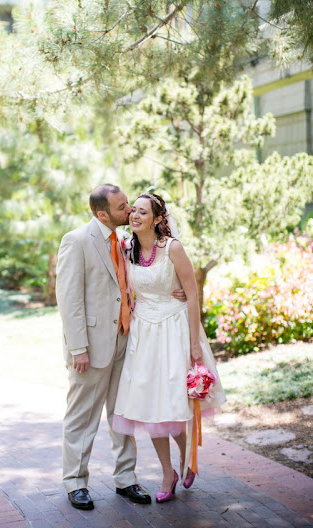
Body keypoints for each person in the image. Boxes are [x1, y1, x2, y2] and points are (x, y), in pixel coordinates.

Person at [56, 184, 186, 511]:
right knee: (82, 416)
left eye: (129, 204)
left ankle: (126, 478)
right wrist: (78, 349)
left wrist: (177, 292)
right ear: (102, 214)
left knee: (122, 414)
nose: (129, 211)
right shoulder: (77, 241)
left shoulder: (127, 241)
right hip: (90, 347)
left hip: (127, 341)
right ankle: (75, 482)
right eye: (122, 207)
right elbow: (69, 300)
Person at [113, 192, 226, 503]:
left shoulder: (173, 248)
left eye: (142, 212)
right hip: (143, 334)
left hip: (174, 330)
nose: (134, 216)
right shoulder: (127, 248)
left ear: (158, 219)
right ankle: (167, 472)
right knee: (150, 406)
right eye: (132, 211)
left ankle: (187, 457)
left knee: (175, 402)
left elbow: (191, 295)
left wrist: (193, 344)